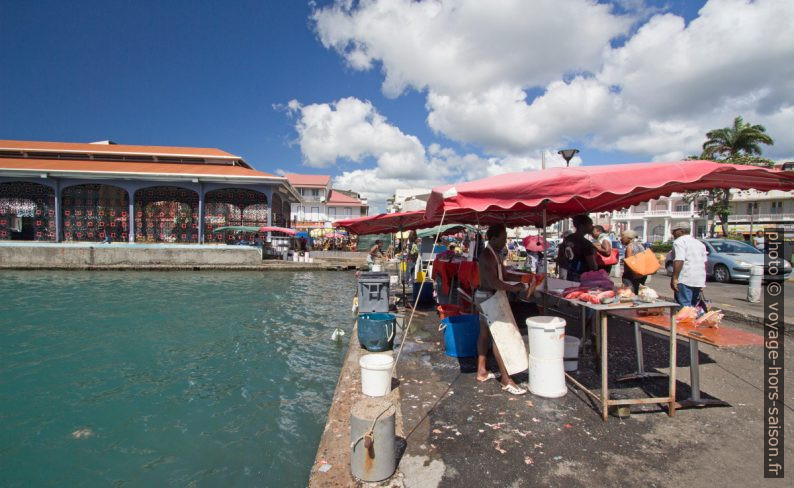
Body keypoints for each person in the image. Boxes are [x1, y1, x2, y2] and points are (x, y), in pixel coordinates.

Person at [476, 224, 530, 395]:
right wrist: (514, 288)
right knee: (500, 338)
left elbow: (504, 275)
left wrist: (522, 277)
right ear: (493, 239)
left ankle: (482, 371)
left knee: (485, 335)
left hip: (486, 297)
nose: (506, 240)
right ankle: (506, 380)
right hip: (488, 298)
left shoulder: (496, 254)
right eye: (504, 236)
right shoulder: (487, 256)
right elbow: (494, 282)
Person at [670, 222, 707, 308]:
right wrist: (703, 281)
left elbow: (679, 260)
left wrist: (675, 278)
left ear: (681, 231)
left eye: (674, 231)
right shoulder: (699, 243)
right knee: (692, 308)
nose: (673, 233)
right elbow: (704, 262)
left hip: (684, 279)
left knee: (684, 309)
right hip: (698, 279)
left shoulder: (679, 242)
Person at [556, 215, 598, 282]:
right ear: (582, 226)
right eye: (590, 224)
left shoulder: (568, 238)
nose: (592, 227)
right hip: (581, 278)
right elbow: (593, 266)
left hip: (568, 274)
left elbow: (561, 255)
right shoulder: (586, 243)